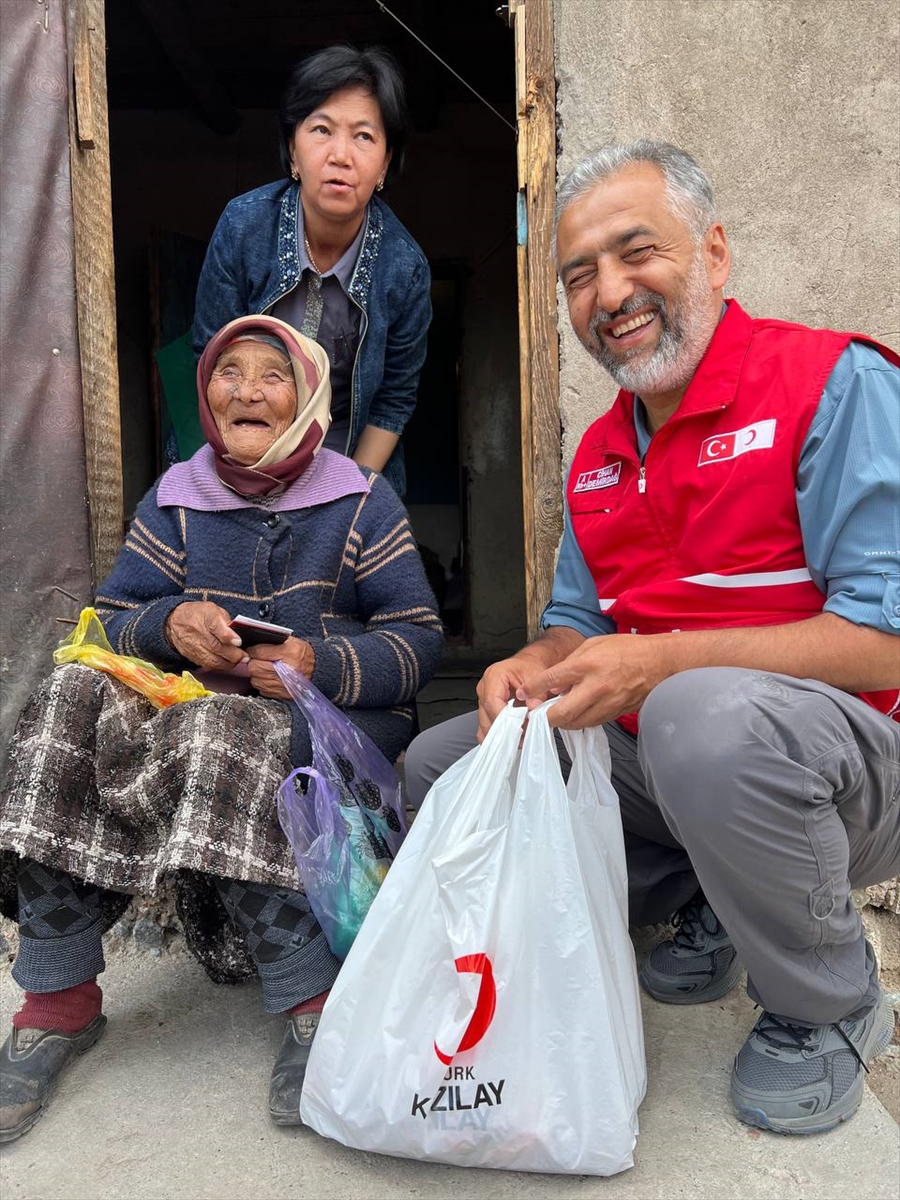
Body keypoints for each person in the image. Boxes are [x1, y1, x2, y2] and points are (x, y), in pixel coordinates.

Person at [404, 141, 900, 1136]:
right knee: (447, 761)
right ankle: (707, 905)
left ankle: (831, 1003)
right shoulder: (599, 452)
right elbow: (578, 630)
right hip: (700, 758)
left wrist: (665, 662)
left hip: (856, 773)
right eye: (579, 275)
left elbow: (885, 643)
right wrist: (527, 667)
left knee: (690, 712)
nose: (609, 292)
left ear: (714, 255)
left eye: (637, 253)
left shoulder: (831, 385)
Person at [0, 314, 443, 1142]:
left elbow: (417, 638)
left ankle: (310, 997)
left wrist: (321, 662)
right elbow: (116, 616)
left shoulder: (359, 501)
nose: (246, 389)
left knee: (222, 730)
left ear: (307, 396)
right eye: (227, 372)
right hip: (196, 715)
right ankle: (57, 996)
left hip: (331, 727)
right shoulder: (177, 499)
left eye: (272, 375)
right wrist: (169, 625)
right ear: (205, 395)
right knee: (67, 694)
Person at [192, 44, 431, 497]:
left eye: (364, 136)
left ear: (385, 164)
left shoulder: (405, 269)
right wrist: (242, 481)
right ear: (292, 150)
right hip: (240, 453)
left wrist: (349, 494)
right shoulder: (243, 228)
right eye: (321, 129)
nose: (341, 155)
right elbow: (208, 355)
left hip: (347, 460)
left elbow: (394, 400)